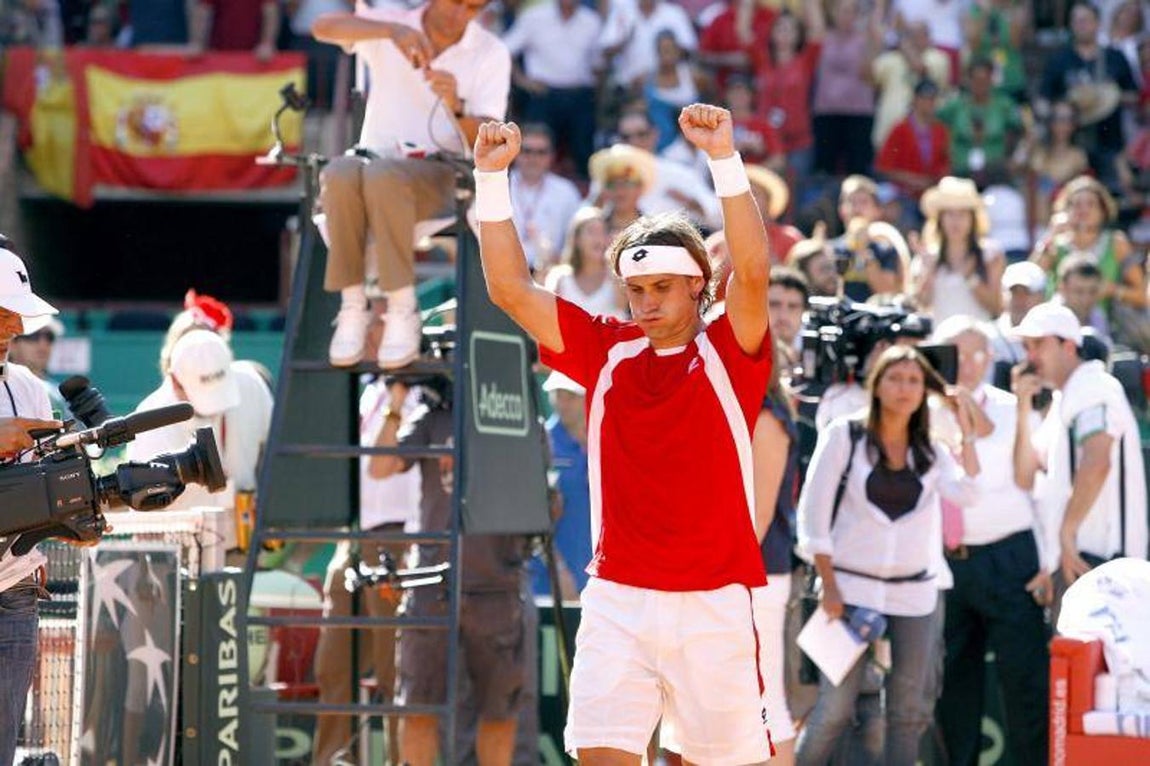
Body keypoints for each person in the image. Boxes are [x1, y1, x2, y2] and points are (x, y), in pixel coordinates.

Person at [471, 103, 776, 762]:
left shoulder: (732, 348)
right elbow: (508, 289)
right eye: (635, 288)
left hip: (713, 603)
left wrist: (725, 158)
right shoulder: (604, 348)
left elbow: (752, 272)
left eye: (662, 286)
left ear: (699, 286)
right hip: (617, 600)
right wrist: (490, 180)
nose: (645, 302)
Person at [796, 345, 981, 766]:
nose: (905, 388)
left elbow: (968, 492)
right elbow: (812, 517)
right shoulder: (845, 435)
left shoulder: (930, 449)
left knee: (907, 712)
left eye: (915, 381)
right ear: (876, 385)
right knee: (834, 709)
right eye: (895, 378)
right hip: (849, 589)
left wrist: (965, 430)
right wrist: (829, 584)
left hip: (913, 595)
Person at [313, 0, 511, 368]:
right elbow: (322, 27)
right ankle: (353, 304)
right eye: (456, 3)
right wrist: (391, 31)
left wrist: (456, 107)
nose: (461, 15)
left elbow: (489, 138)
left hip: (446, 176)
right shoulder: (394, 24)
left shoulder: (491, 51)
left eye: (473, 8)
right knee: (338, 172)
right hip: (374, 169)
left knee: (381, 175)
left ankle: (403, 308)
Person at [370, 381, 532, 766]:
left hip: (495, 585)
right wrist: (396, 400)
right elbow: (379, 467)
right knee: (418, 708)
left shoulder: (518, 416)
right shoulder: (431, 416)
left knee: (499, 712)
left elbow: (544, 503)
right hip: (432, 584)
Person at [930, 317, 1051, 766]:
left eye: (978, 353)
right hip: (950, 561)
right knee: (953, 687)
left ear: (992, 358)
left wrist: (1047, 557)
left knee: (1024, 680)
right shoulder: (920, 409)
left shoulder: (1012, 407)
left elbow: (1030, 483)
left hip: (1009, 555)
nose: (967, 364)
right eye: (956, 353)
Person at [310, 377, 422, 766]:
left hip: (399, 536)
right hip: (356, 536)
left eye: (379, 315)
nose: (371, 324)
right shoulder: (370, 385)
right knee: (332, 666)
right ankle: (331, 760)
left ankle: (400, 761)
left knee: (396, 673)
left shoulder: (424, 387)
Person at [1011, 303, 1148, 616]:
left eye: (1038, 344)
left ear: (1068, 345)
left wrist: (1066, 532)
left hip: (1101, 564)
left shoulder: (1093, 388)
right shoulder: (1065, 398)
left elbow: (1097, 461)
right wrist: (1022, 406)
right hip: (1079, 562)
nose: (1029, 356)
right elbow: (1024, 476)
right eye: (1026, 346)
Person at [0, 240, 62, 766]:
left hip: (15, 589)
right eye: (0, 313)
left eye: (13, 313)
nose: (12, 328)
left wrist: (70, 518)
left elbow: (40, 483)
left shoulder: (30, 388)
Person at [125, 330, 273, 550]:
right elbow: (144, 519)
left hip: (245, 543)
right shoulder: (149, 419)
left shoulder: (252, 385)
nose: (214, 410)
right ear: (175, 381)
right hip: (181, 552)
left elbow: (276, 457)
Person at [501, 0, 601, 178]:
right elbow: (504, 50)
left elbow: (598, 64)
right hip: (543, 95)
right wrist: (522, 80)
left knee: (583, 152)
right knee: (534, 147)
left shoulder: (592, 21)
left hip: (580, 96)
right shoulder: (534, 17)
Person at [912, 176, 1004, 323]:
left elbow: (997, 308)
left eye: (962, 214)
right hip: (940, 341)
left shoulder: (990, 254)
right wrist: (928, 272)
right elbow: (920, 305)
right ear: (940, 219)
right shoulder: (928, 256)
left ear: (973, 219)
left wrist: (971, 279)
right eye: (949, 213)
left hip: (979, 341)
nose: (956, 221)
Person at [508, 123, 583, 271]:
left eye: (541, 152)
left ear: (552, 156)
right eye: (527, 151)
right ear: (515, 152)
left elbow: (575, 244)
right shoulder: (499, 185)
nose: (533, 158)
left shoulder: (566, 192)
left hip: (550, 273)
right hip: (503, 272)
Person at [544, 207, 628, 319]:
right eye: (592, 231)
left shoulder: (616, 275)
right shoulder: (559, 277)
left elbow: (621, 307)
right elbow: (548, 315)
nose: (599, 238)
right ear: (577, 239)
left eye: (603, 231)